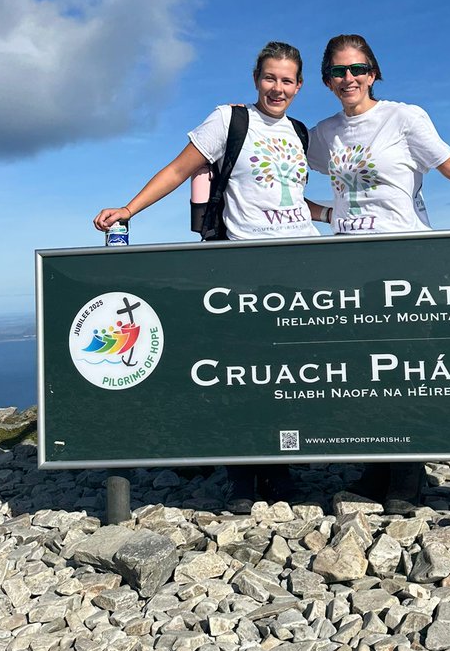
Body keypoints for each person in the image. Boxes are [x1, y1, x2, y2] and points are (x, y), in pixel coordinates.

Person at [307, 33, 450, 505]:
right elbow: (291, 180)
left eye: (357, 69)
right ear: (326, 79)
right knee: (364, 373)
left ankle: (404, 480)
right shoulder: (323, 133)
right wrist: (318, 215)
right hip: (347, 264)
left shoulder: (403, 117)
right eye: (337, 71)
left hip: (404, 258)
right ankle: (373, 473)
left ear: (373, 72)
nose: (348, 78)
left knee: (402, 370)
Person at [94, 41, 331, 508]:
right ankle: (244, 476)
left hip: (300, 263)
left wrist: (334, 213)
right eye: (269, 78)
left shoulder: (300, 132)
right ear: (256, 79)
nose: (277, 88)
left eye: (287, 80)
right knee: (244, 375)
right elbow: (180, 169)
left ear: (299, 86)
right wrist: (129, 209)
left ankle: (280, 472)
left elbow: (288, 198)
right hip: (243, 265)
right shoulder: (230, 120)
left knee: (287, 375)